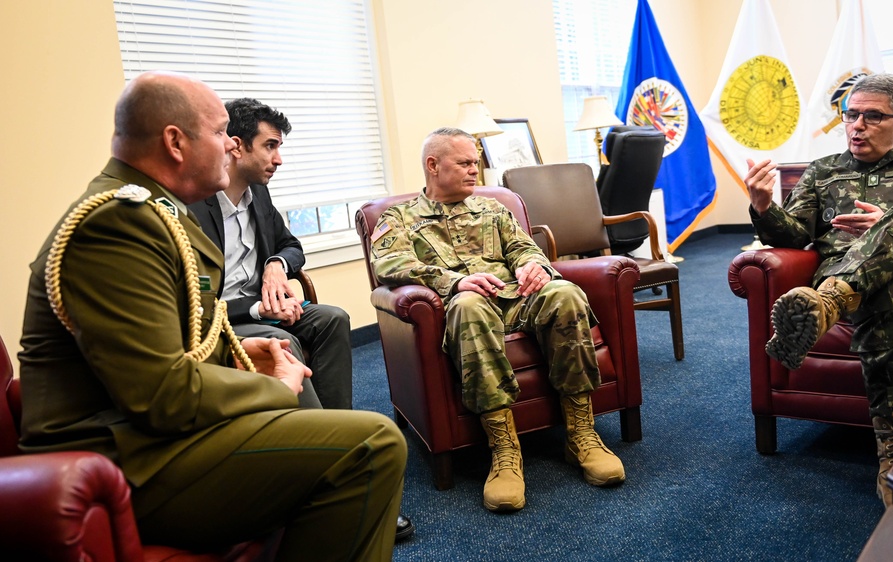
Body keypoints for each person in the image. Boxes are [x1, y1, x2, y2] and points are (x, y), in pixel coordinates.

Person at [17, 71, 406, 560]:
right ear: (175, 142)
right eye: (222, 132)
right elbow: (162, 393)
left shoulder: (159, 213)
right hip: (119, 455)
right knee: (372, 444)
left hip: (146, 436)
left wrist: (244, 353)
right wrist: (269, 385)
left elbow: (186, 335)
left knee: (323, 379)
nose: (230, 146)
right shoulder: (116, 226)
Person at [743, 73, 893, 507]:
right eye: (851, 114)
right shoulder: (823, 171)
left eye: (873, 116)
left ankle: (828, 303)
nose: (857, 125)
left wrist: (891, 223)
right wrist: (763, 207)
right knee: (891, 290)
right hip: (880, 290)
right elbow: (795, 234)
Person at [369, 127, 625, 513]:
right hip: (464, 311)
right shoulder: (399, 218)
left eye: (477, 162)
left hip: (517, 299)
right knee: (469, 304)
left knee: (565, 293)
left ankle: (581, 434)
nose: (476, 170)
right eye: (466, 162)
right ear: (433, 165)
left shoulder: (492, 209)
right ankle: (504, 451)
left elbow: (525, 247)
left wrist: (534, 267)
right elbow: (389, 264)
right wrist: (454, 282)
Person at [189, 98, 352, 411]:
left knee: (333, 318)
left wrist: (275, 265)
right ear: (236, 146)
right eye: (270, 146)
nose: (278, 160)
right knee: (282, 343)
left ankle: (340, 422)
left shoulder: (259, 193)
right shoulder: (194, 208)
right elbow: (196, 298)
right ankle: (316, 438)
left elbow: (292, 246)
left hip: (268, 306)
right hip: (224, 319)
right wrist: (257, 309)